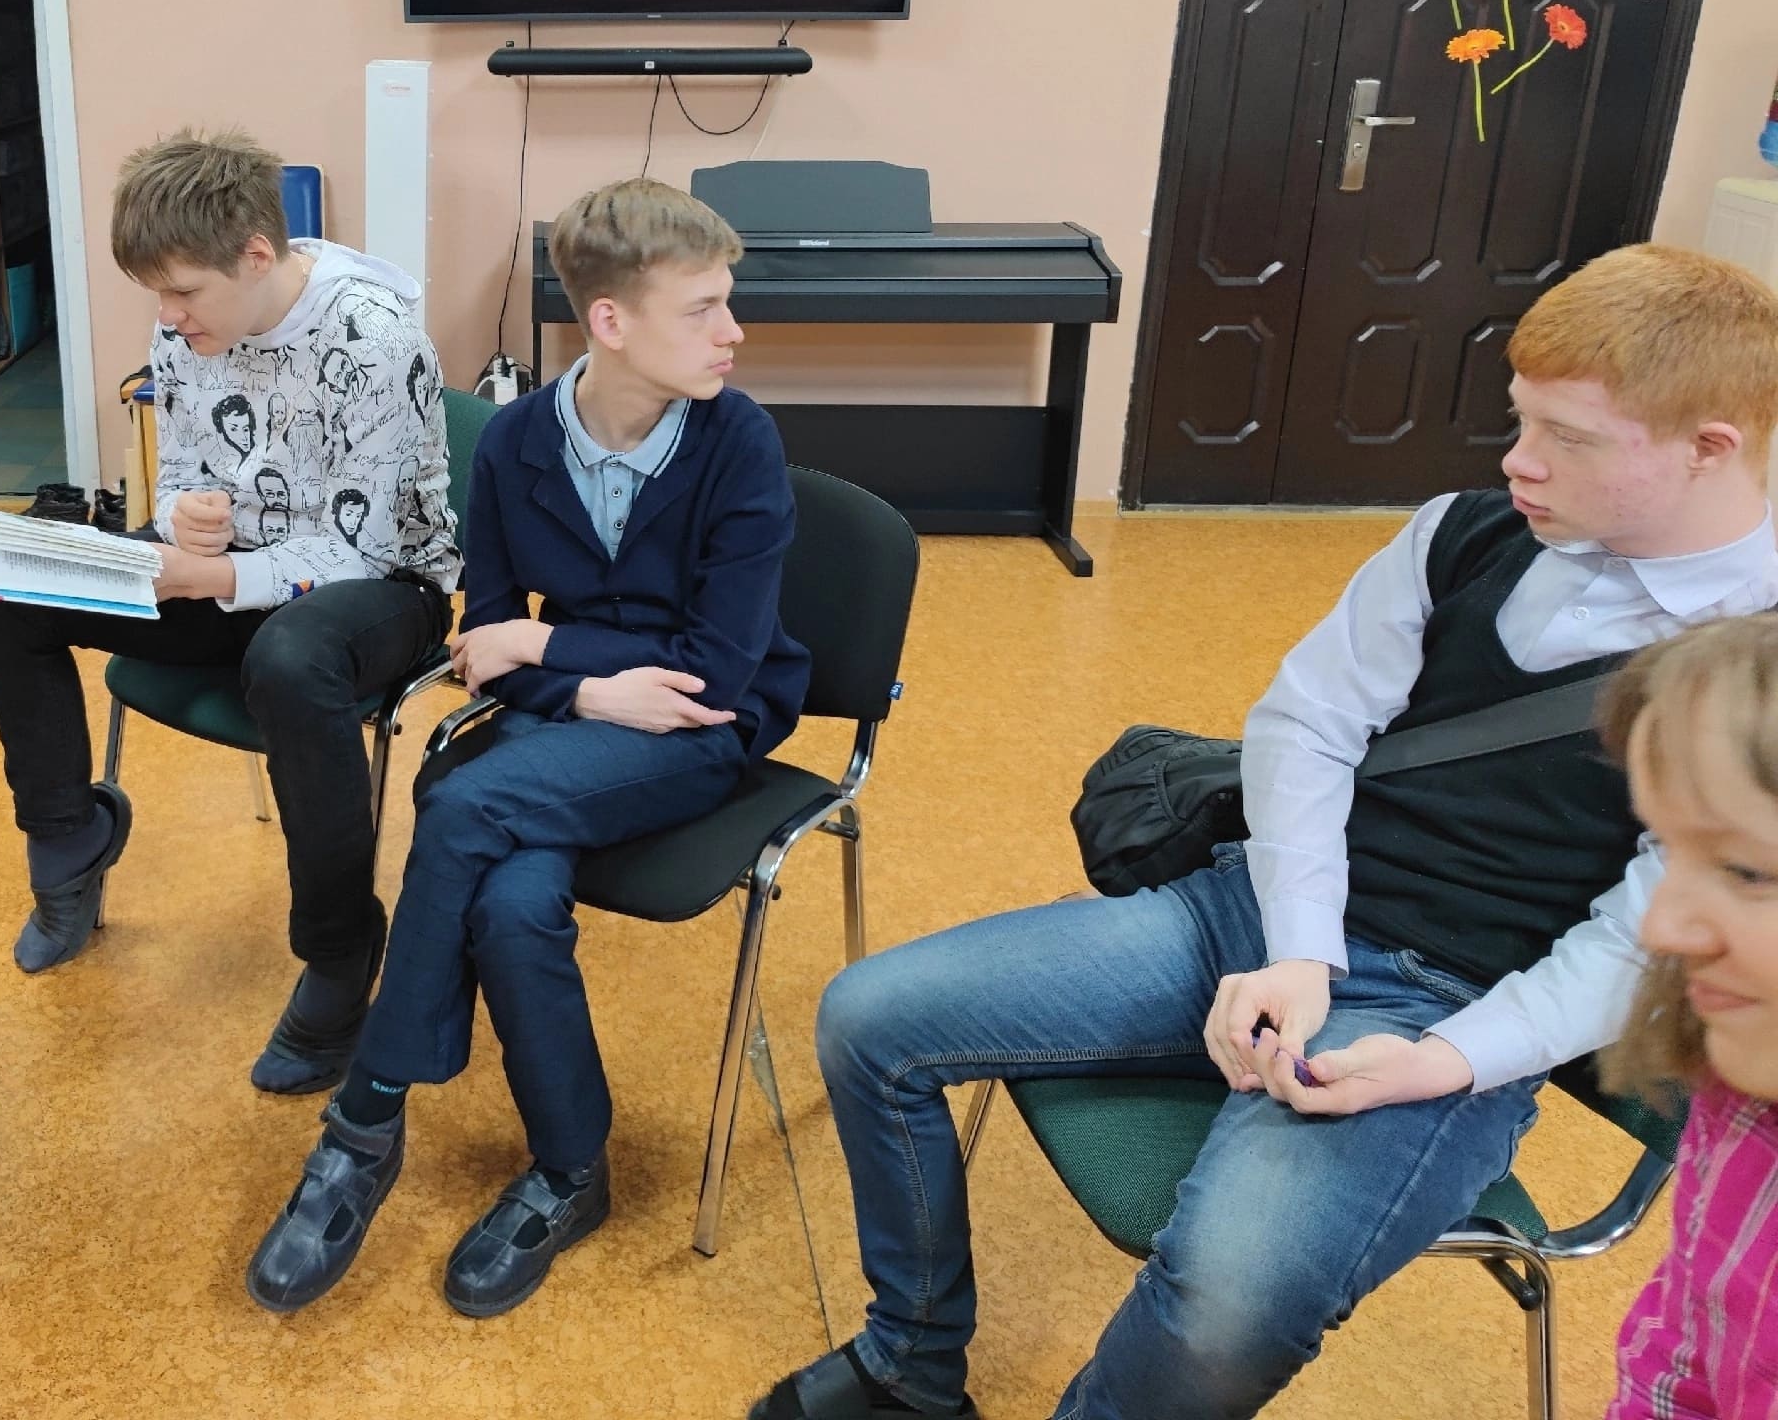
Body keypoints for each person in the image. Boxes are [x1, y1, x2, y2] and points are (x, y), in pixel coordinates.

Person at [753, 242, 1778, 1419]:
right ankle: (909, 1363)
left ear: (1709, 448)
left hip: (1452, 1010)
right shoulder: (1466, 533)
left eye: (1570, 438)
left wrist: (1445, 1062)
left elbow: (1642, 937)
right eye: (1520, 419)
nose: (1517, 460)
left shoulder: (1751, 671)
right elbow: (1305, 726)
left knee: (1228, 1303)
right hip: (1262, 916)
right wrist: (1297, 946)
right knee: (870, 1017)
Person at [245, 178, 812, 1319]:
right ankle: (569, 1170)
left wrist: (550, 647)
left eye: (726, 302)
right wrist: (589, 684)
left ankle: (364, 1122)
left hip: (698, 728)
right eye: (702, 307)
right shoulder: (513, 442)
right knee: (509, 904)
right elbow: (481, 649)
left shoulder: (739, 442)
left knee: (459, 805)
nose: (733, 331)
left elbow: (711, 670)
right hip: (576, 718)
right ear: (610, 321)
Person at [0, 129, 457, 1095]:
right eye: (156, 294)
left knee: (290, 661)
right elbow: (190, 464)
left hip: (381, 592)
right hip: (228, 575)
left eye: (183, 292)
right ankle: (68, 838)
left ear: (257, 257)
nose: (168, 315)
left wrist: (206, 578)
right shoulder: (188, 325)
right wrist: (187, 513)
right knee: (11, 591)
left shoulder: (376, 338)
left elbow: (367, 549)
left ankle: (340, 952)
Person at [1595, 614, 1778, 1418]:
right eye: (1670, 851)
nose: (1661, 928)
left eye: (1745, 869)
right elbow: (1679, 1365)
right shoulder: (1741, 1086)